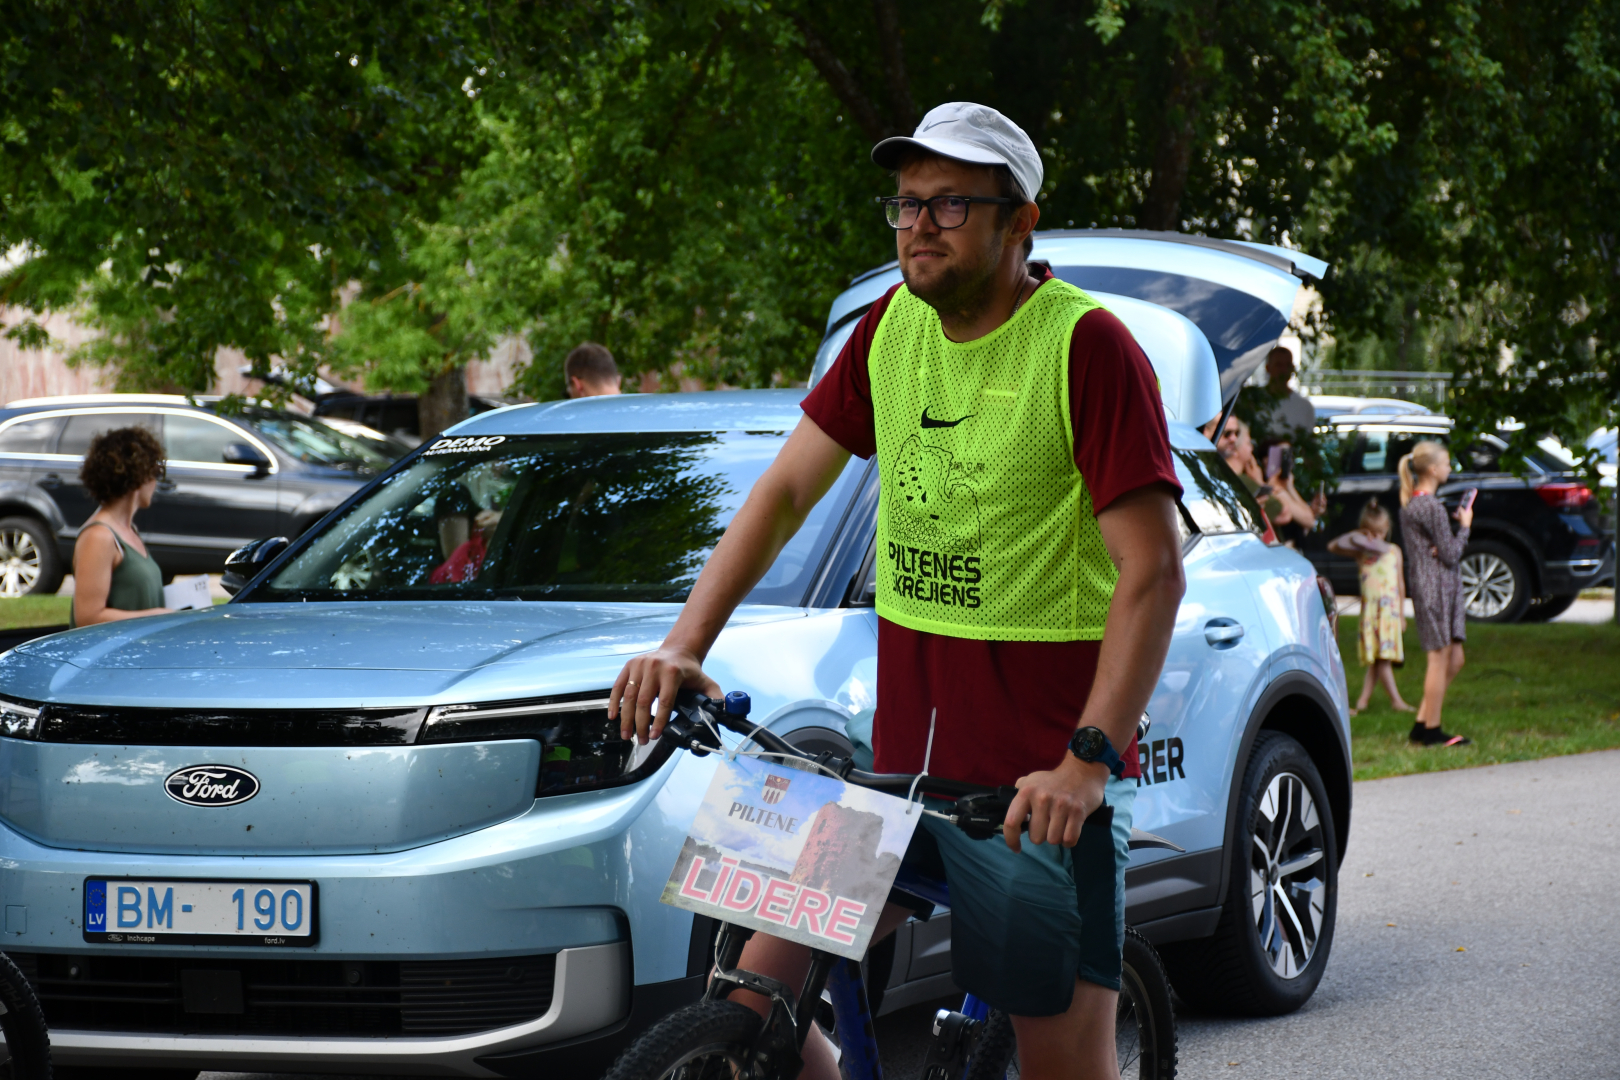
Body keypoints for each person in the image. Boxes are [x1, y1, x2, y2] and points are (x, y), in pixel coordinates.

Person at [609, 101, 1186, 1080]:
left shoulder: (1088, 347)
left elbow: (1155, 569)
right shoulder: (888, 330)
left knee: (1063, 1066)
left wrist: (1087, 763)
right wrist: (684, 644)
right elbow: (784, 492)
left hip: (1035, 790)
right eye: (909, 202)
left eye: (951, 203)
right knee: (750, 1005)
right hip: (899, 773)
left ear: (1020, 221)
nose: (920, 224)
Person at [1398, 440, 1472, 746]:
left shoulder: (1413, 505)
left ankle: (1421, 723)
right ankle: (1432, 731)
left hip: (1431, 586)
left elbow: (1441, 549)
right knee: (1439, 659)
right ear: (1432, 469)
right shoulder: (1431, 506)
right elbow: (1451, 553)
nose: (1449, 468)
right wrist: (1465, 526)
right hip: (1436, 588)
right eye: (1446, 463)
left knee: (1455, 659)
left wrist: (1443, 544)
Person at [70, 426, 172, 627]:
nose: (155, 483)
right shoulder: (99, 536)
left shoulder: (128, 530)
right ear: (140, 476)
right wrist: (159, 616)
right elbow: (87, 618)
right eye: (155, 473)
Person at [1328, 499, 1412, 715]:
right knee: (1379, 658)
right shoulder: (1361, 552)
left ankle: (1364, 701)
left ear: (1387, 529)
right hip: (1371, 613)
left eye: (1380, 532)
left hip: (1389, 613)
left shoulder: (1393, 551)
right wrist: (1357, 535)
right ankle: (1396, 701)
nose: (1376, 537)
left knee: (1380, 658)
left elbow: (1401, 584)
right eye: (1372, 533)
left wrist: (1402, 614)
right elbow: (1333, 546)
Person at [1216, 415, 1318, 536]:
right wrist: (1268, 485)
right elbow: (1285, 515)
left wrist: (1289, 487)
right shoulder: (1243, 481)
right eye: (1248, 443)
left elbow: (1309, 520)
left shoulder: (1245, 478)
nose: (1251, 448)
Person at [1254, 345, 1316, 441]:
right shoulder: (1253, 401)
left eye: (1288, 365)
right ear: (1268, 368)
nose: (1284, 370)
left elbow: (1308, 442)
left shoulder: (1304, 406)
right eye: (1278, 365)